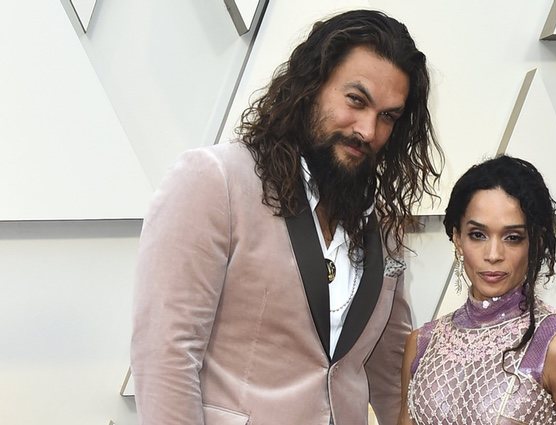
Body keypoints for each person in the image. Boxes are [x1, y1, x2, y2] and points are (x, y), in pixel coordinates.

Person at [130, 9, 441, 425]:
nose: (368, 130)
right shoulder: (215, 181)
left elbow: (389, 374)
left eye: (388, 116)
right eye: (356, 100)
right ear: (311, 87)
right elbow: (165, 355)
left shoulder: (379, 224)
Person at [399, 156, 556, 425]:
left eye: (512, 237)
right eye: (478, 235)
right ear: (457, 239)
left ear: (535, 243)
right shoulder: (422, 344)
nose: (494, 254)